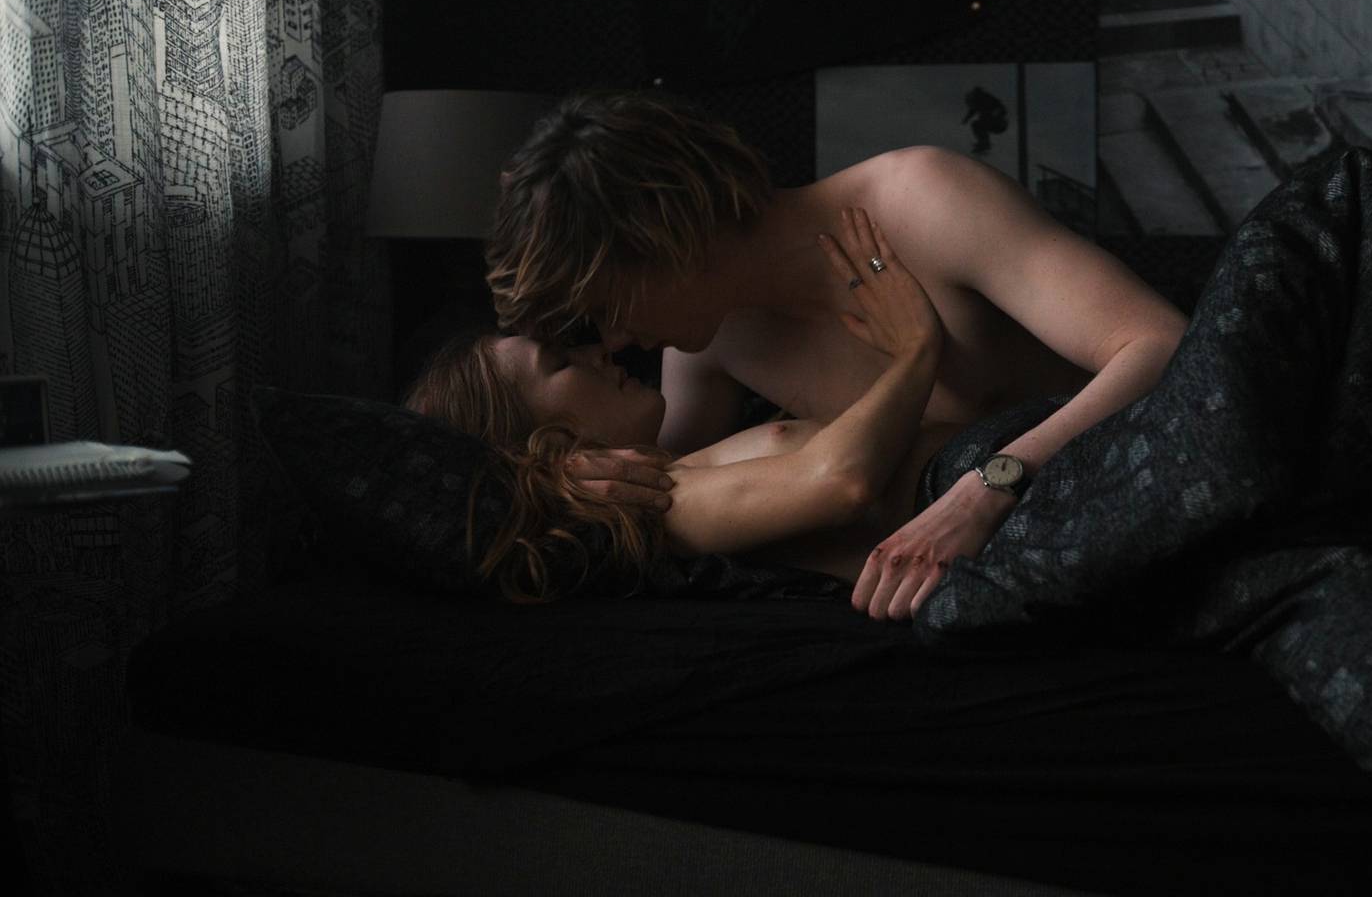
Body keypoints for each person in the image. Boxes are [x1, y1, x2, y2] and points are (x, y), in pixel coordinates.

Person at [484, 88, 1190, 620]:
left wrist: (988, 488)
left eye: (607, 307)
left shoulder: (922, 201)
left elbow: (1161, 342)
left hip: (1157, 487)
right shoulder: (713, 340)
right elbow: (671, 497)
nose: (612, 341)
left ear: (664, 241)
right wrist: (569, 481)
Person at [408, 207, 966, 601]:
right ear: (540, 444)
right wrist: (917, 349)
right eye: (558, 363)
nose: (597, 352)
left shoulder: (666, 470)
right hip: (992, 506)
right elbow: (842, 482)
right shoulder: (655, 507)